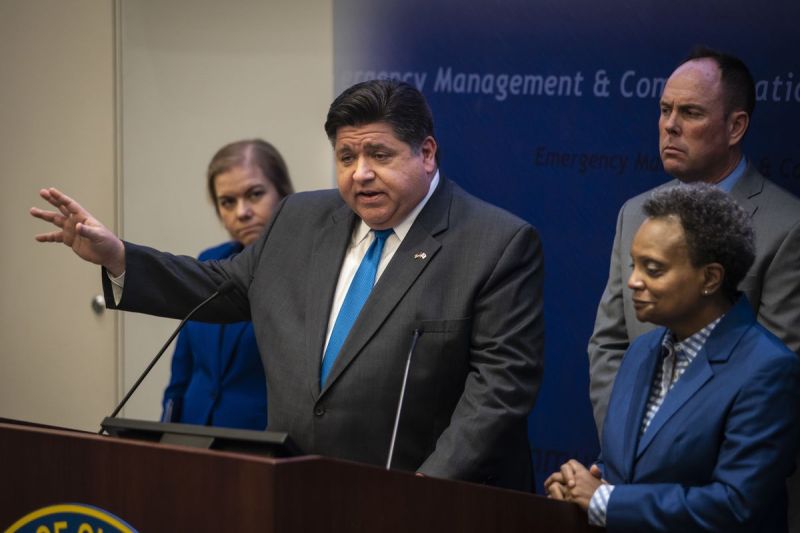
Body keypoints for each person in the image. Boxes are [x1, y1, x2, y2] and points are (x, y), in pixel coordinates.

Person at [30, 80, 544, 490]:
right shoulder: (299, 218)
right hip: (301, 490)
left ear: (426, 153)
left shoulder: (496, 244)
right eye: (346, 157)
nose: (360, 175)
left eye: (379, 156)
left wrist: (421, 491)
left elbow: (498, 393)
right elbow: (222, 287)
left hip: (426, 502)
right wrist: (120, 256)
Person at [547, 184, 800, 531]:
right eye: (634, 265)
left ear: (710, 278)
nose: (633, 281)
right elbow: (622, 465)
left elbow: (736, 504)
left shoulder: (768, 369)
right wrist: (579, 485)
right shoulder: (641, 350)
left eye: (653, 269)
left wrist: (606, 501)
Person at [589, 47, 800, 435]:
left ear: (735, 127)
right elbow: (608, 346)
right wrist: (625, 444)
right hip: (632, 467)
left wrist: (667, 458)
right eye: (665, 109)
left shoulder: (788, 227)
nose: (670, 125)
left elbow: (776, 380)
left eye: (690, 113)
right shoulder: (635, 214)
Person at [161, 139, 294, 430]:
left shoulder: (304, 268)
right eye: (227, 202)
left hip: (261, 443)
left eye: (255, 194)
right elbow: (182, 370)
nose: (241, 212)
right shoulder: (209, 261)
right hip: (193, 436)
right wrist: (166, 433)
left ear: (284, 193)